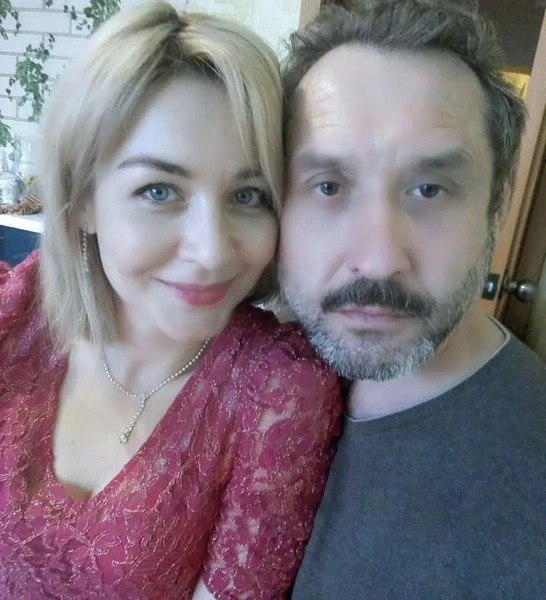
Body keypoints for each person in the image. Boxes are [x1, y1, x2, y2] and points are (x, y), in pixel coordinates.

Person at [0, 3, 342, 598]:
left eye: (249, 195)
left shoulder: (277, 394)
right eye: (159, 191)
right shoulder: (17, 309)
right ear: (83, 201)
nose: (211, 252)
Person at [278, 1, 546, 597]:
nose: (378, 259)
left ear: (496, 208)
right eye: (328, 186)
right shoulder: (260, 363)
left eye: (429, 189)